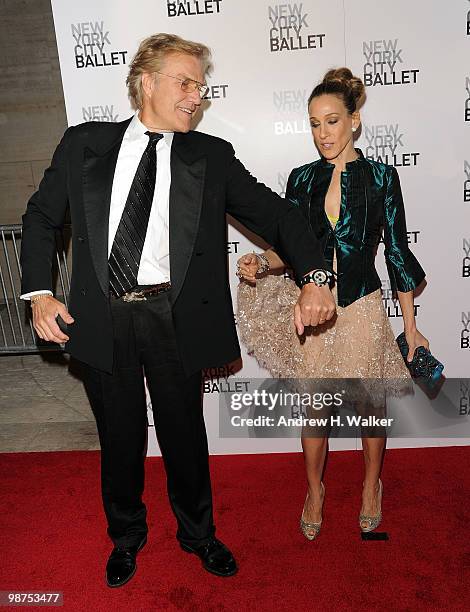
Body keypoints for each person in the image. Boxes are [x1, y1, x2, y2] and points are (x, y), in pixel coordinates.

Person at [20, 34, 336, 586]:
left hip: (173, 316)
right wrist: (39, 292)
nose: (197, 95)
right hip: (104, 317)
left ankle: (198, 535)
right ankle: (126, 538)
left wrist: (314, 275)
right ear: (147, 82)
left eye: (200, 85)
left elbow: (278, 216)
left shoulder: (209, 156)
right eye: (185, 82)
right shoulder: (84, 144)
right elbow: (42, 216)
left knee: (184, 435)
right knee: (119, 438)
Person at [236, 68, 427, 540]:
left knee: (369, 406)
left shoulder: (383, 177)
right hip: (314, 313)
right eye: (315, 123)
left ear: (355, 120)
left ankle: (369, 486)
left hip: (362, 306)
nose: (323, 133)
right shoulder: (301, 180)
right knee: (315, 409)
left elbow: (397, 252)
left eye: (333, 121)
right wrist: (261, 263)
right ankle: (315, 491)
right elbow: (290, 250)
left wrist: (412, 325)